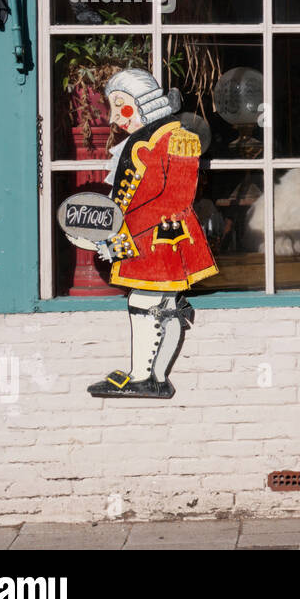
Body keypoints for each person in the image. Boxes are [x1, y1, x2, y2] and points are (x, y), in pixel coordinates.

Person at [85, 68, 217, 399]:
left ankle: (146, 376)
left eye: (121, 106)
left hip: (162, 239)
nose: (116, 118)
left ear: (144, 103)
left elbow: (175, 199)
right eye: (112, 108)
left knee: (149, 302)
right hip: (143, 237)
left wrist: (120, 229)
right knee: (158, 304)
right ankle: (149, 375)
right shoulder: (145, 138)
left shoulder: (179, 139)